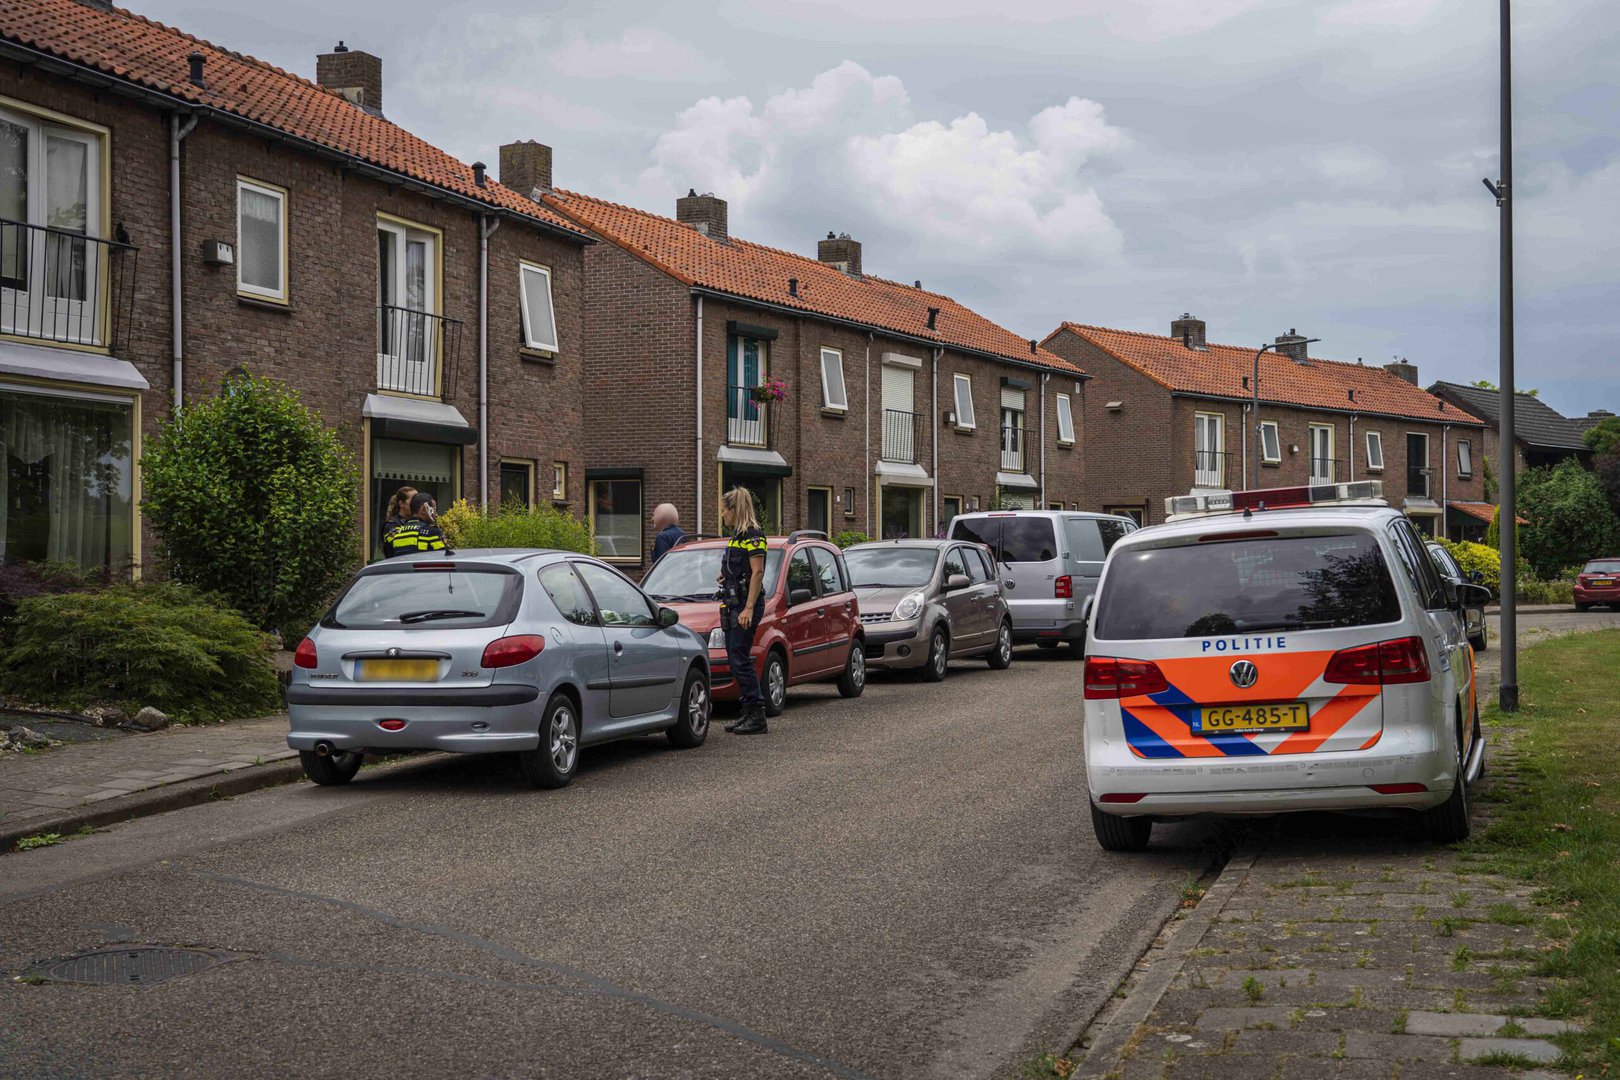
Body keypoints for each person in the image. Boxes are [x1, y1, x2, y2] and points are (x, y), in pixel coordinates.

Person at [717, 487, 769, 735]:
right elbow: (740, 568)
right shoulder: (736, 537)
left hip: (746, 605)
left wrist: (748, 608)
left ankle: (757, 715)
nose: (722, 515)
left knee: (739, 657)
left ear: (734, 510)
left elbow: (757, 572)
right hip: (733, 603)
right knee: (735, 658)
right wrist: (725, 575)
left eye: (724, 510)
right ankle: (747, 711)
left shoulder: (753, 536)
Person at [384, 493, 448, 557]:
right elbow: (443, 556)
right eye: (433, 509)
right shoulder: (432, 531)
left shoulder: (399, 533)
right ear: (423, 509)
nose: (436, 514)